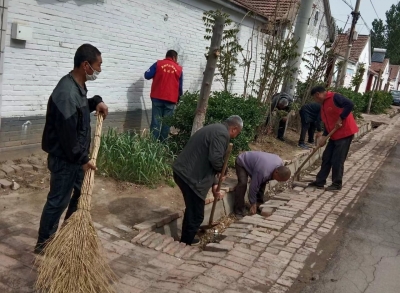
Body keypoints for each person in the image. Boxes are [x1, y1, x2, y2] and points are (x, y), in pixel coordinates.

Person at [34, 44, 109, 254]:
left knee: (80, 196)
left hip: (75, 158)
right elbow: (68, 135)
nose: (99, 70)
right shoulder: (66, 93)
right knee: (58, 202)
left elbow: (81, 107)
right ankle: (44, 245)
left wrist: (96, 102)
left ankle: (68, 236)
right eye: (98, 65)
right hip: (65, 159)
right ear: (86, 65)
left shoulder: (77, 86)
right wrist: (83, 159)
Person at [172, 116, 243, 246]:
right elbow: (215, 159)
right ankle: (185, 243)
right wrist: (224, 171)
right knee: (197, 214)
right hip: (190, 176)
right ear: (234, 129)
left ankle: (187, 236)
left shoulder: (215, 129)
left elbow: (209, 161)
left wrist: (215, 184)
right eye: (237, 133)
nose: (235, 136)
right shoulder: (222, 134)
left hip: (184, 172)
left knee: (193, 209)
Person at [308, 86, 359, 191]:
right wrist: (324, 137)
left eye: (314, 97)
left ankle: (336, 184)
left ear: (318, 94)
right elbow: (328, 123)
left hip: (345, 133)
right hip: (334, 134)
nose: (315, 100)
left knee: (337, 159)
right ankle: (320, 181)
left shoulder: (335, 97)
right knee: (326, 157)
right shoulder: (323, 106)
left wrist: (341, 118)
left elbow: (350, 104)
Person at [234, 151, 291, 217]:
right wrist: (253, 203)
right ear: (276, 172)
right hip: (242, 161)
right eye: (279, 179)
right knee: (243, 183)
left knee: (263, 182)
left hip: (258, 164)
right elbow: (253, 187)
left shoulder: (280, 163)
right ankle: (239, 210)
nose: (278, 181)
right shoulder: (263, 172)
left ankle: (259, 204)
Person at [144, 50, 183, 142]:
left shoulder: (158, 64)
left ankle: (153, 144)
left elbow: (147, 75)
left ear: (166, 56)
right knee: (166, 123)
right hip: (171, 100)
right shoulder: (179, 69)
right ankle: (163, 144)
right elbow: (180, 87)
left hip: (157, 98)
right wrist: (178, 97)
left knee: (156, 122)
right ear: (174, 58)